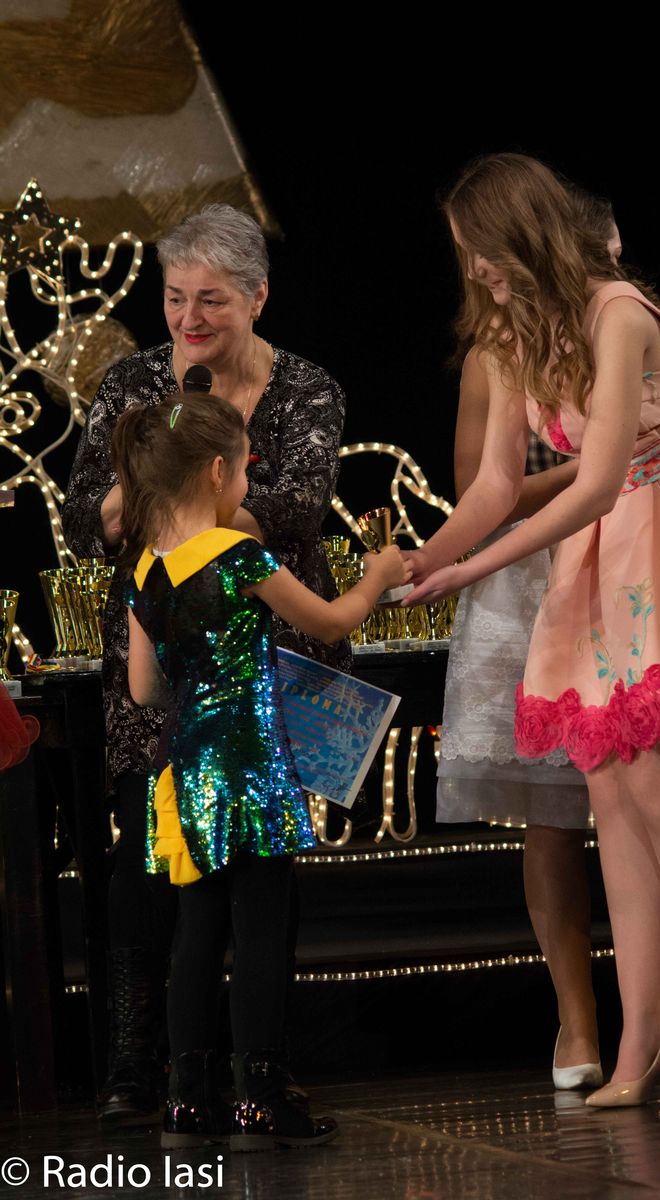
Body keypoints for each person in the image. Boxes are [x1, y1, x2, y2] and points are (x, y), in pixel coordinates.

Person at [407, 153, 660, 1106]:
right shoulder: (513, 337)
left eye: (480, 250)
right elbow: (495, 485)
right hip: (608, 549)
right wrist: (423, 559)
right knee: (612, 793)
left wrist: (471, 568)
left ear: (520, 234)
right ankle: (644, 1033)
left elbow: (597, 479)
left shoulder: (618, 312)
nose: (476, 271)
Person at [62, 204, 349, 1120]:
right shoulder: (132, 383)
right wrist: (144, 499)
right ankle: (140, 1067)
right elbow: (83, 515)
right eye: (175, 296)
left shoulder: (306, 390)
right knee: (152, 870)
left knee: (262, 880)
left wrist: (178, 513)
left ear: (258, 297)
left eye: (212, 300)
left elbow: (296, 507)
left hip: (267, 669)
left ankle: (260, 1068)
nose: (189, 318)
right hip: (161, 660)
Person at [113, 392, 409, 1148]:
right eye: (246, 470)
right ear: (218, 472)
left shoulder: (145, 570)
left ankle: (186, 1097)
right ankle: (261, 1095)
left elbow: (143, 689)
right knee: (262, 929)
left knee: (196, 932)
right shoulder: (237, 555)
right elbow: (330, 621)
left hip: (187, 769)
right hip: (249, 764)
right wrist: (377, 576)